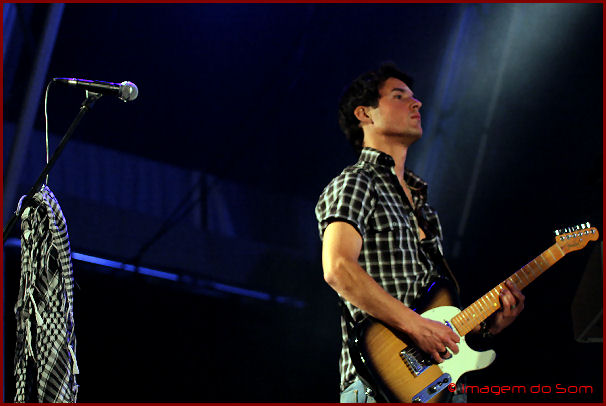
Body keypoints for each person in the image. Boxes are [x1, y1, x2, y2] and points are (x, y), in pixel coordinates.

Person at [314, 64, 525, 403]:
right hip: (378, 386)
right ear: (364, 114)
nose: (417, 103)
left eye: (414, 97)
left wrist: (488, 326)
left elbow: (435, 309)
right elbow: (338, 268)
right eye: (399, 96)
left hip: (441, 385)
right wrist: (414, 325)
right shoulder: (357, 182)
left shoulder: (424, 208)